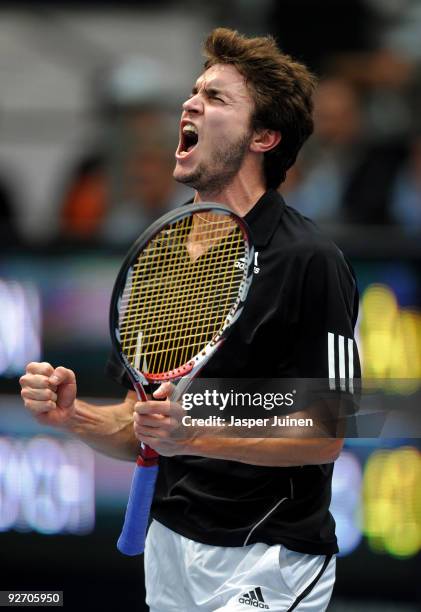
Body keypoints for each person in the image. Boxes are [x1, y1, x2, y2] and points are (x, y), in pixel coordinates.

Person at [20, 28, 360, 611]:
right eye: (195, 91)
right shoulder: (161, 253)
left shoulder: (311, 261)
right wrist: (73, 416)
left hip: (269, 558)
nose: (191, 103)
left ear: (265, 137)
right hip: (170, 552)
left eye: (218, 98)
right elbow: (141, 427)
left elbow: (327, 433)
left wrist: (193, 434)